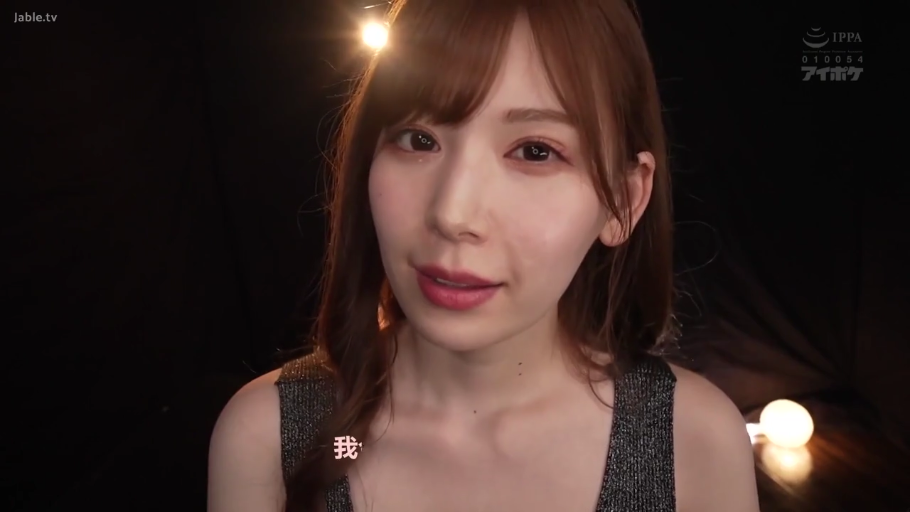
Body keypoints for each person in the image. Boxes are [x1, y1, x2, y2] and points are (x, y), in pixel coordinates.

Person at [208, 0, 760, 510]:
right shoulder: (269, 435)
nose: (453, 214)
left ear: (625, 201)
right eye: (418, 139)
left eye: (535, 151)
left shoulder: (694, 441)